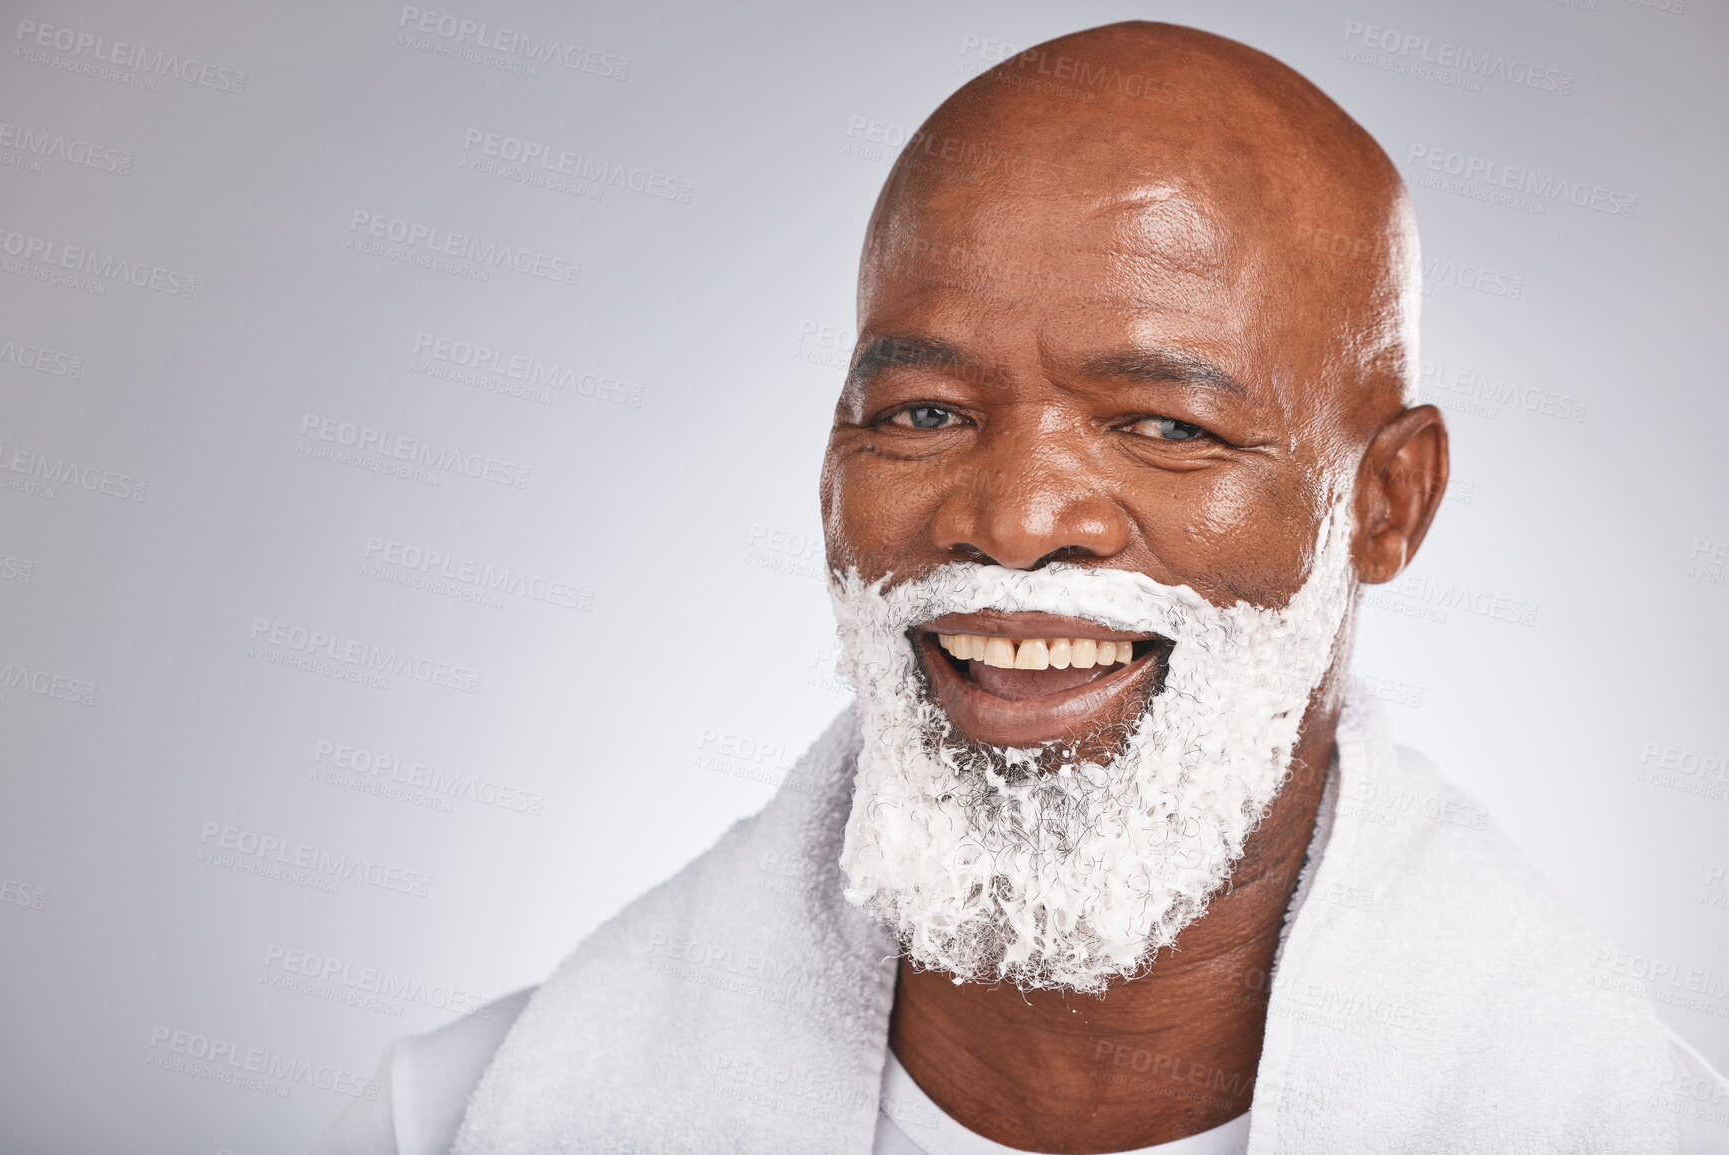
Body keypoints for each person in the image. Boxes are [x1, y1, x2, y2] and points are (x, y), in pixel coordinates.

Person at [316, 21, 1728, 1154]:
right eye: (924, 412)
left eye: (1165, 425)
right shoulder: (455, 1122)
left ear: (1387, 502)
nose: (1011, 517)